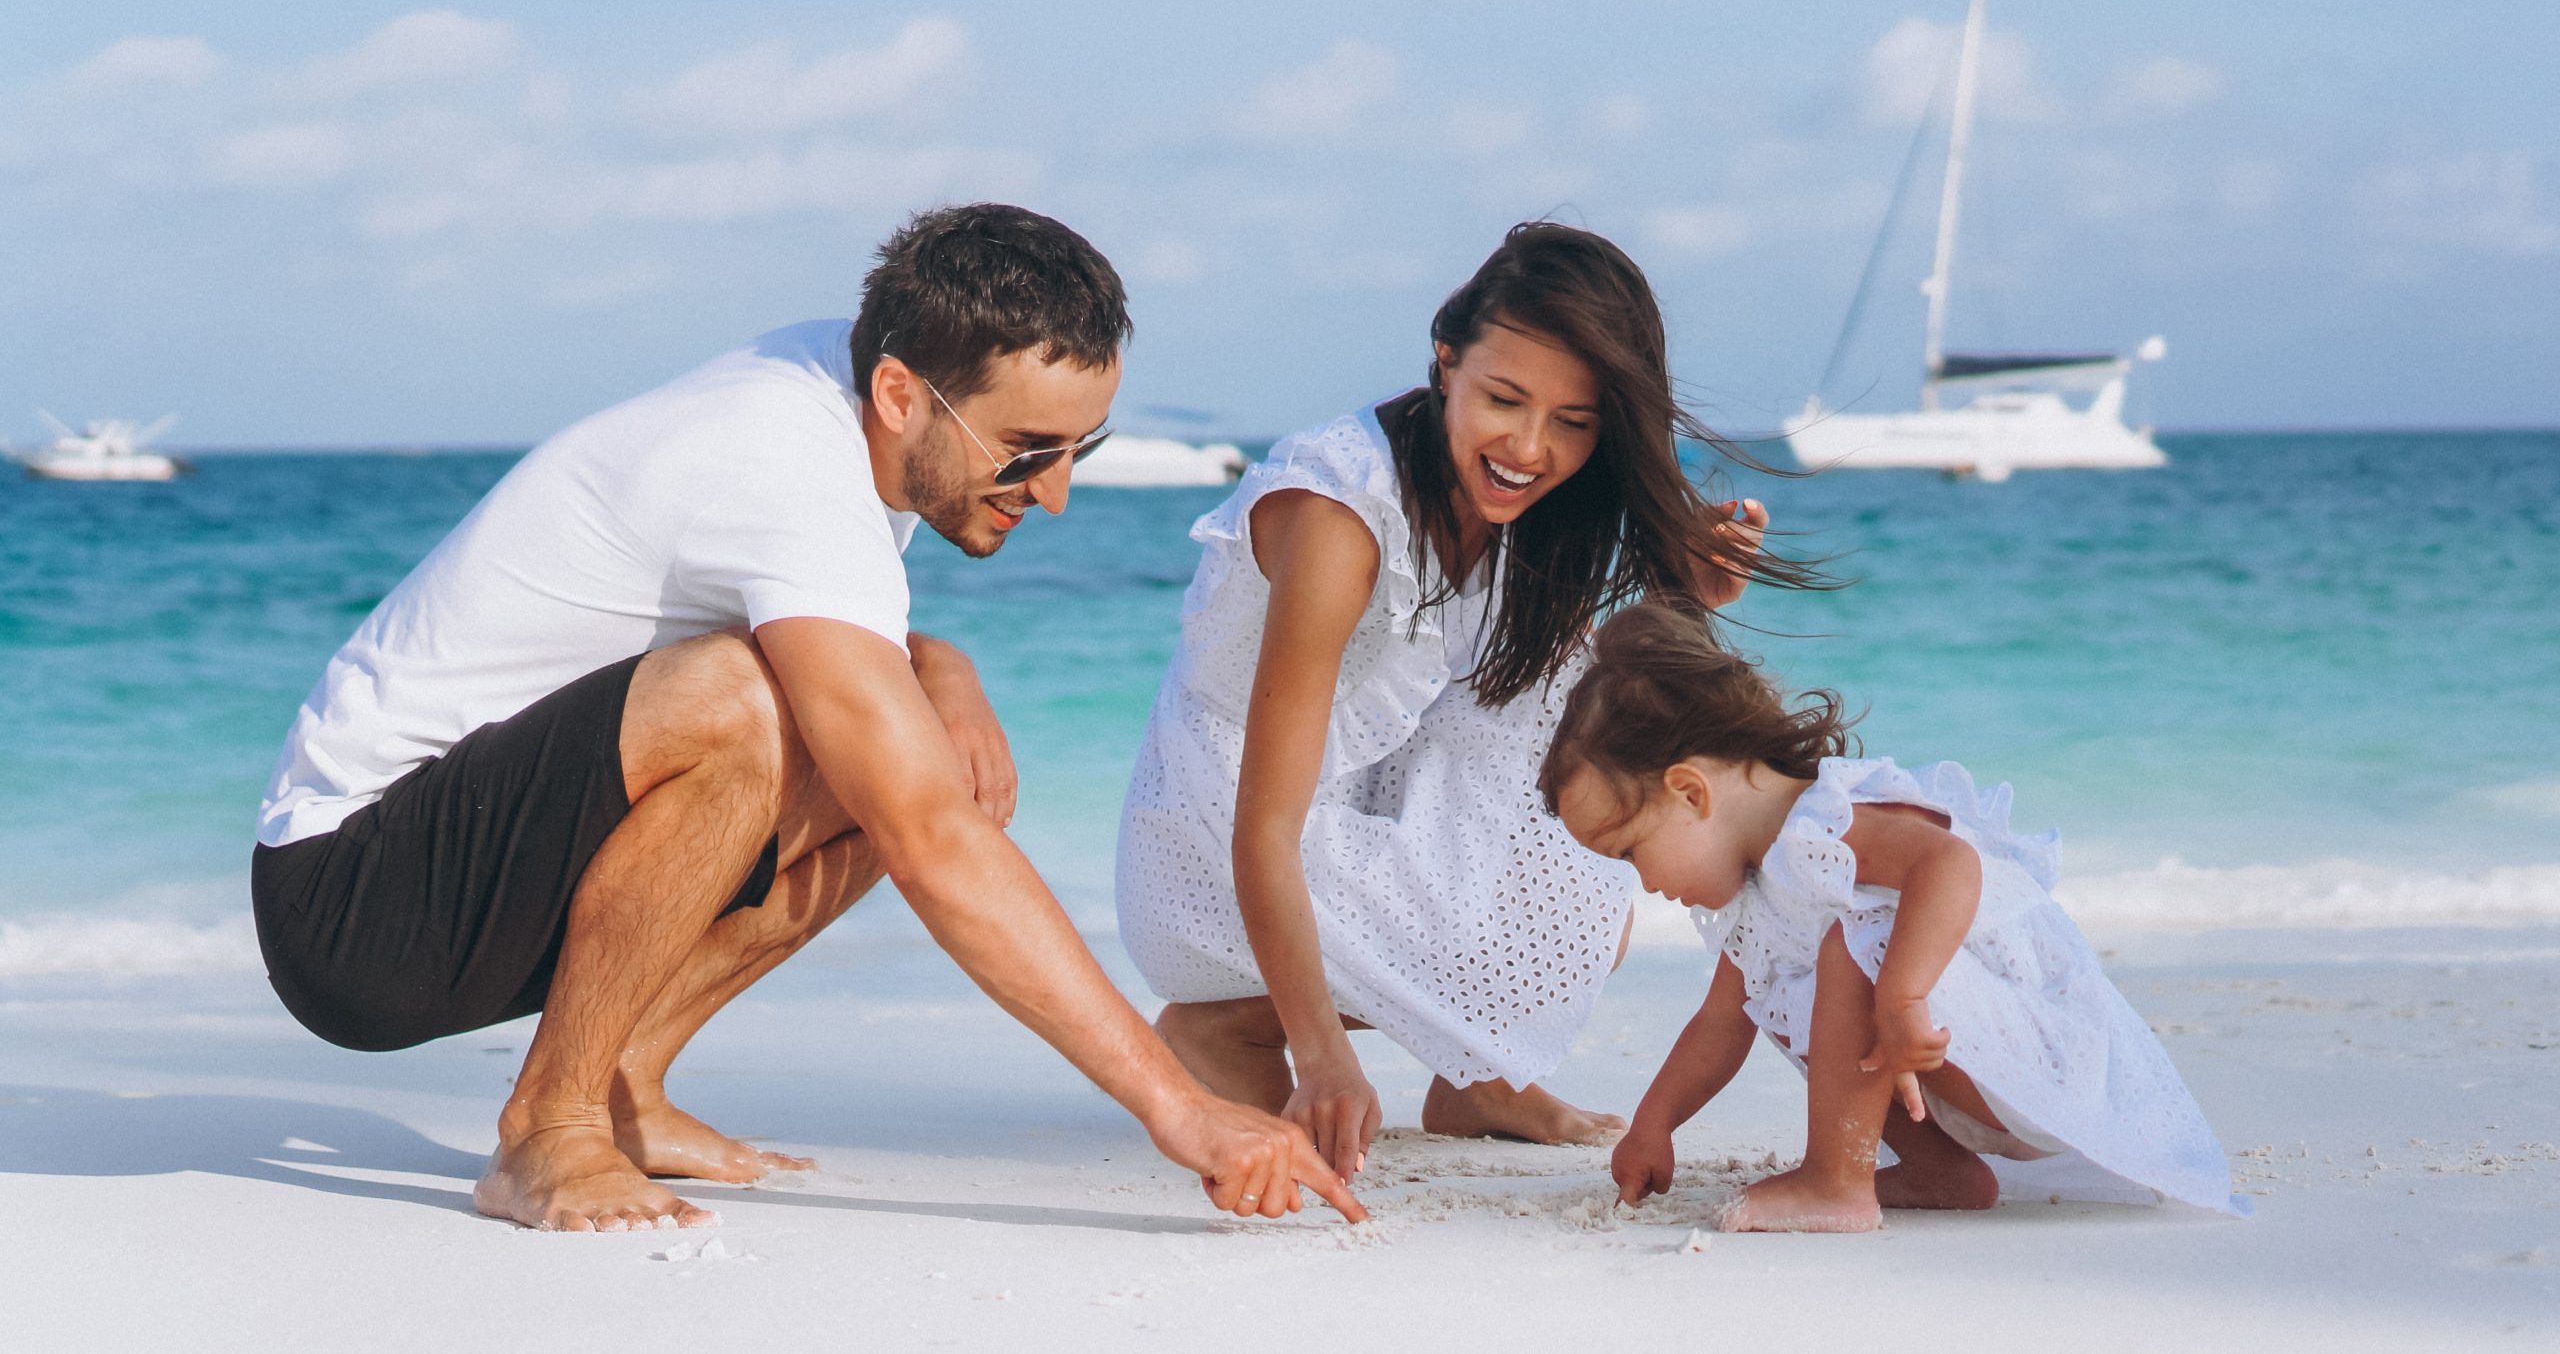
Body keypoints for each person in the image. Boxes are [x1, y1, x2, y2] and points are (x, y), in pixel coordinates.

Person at [251, 203, 1360, 1233]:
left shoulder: (854, 387)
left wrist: (947, 665)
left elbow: (826, 634)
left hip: (474, 860)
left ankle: (625, 1077)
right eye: (1027, 450)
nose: (1056, 490)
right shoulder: (782, 457)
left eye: (1083, 447)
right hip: (353, 897)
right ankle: (550, 1121)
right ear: (898, 394)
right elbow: (926, 835)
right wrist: (1181, 1109)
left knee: (900, 739)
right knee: (770, 717)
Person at [1115, 222, 1821, 1182]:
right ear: (1446, 360)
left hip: (1349, 790)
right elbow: (1263, 825)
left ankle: (1473, 1075)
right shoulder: (1337, 519)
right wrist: (1325, 1059)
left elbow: (1572, 705)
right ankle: (1224, 1023)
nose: (1530, 447)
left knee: (1597, 809)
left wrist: (1685, 590)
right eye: (1504, 398)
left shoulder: (1529, 506)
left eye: (1574, 422)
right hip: (1216, 844)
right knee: (1542, 900)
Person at [1540, 601, 2242, 1231]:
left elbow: (1948, 863)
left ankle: (1835, 1183)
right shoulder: (1762, 898)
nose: (1645, 882)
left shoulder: (1826, 824)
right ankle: (1944, 1172)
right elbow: (1719, 1025)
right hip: (1956, 1070)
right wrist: (1654, 1123)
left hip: (2039, 1053)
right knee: (1782, 985)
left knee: (1855, 939)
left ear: (1690, 791)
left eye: (1631, 851)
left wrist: (1904, 994)